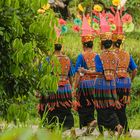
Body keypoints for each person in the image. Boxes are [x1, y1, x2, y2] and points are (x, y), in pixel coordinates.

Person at [93, 13, 123, 136]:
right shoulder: (116, 56)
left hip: (100, 84)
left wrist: (87, 72)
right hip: (112, 84)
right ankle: (106, 130)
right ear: (111, 43)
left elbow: (99, 71)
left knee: (100, 107)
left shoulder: (98, 56)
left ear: (101, 43)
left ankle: (116, 125)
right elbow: (114, 71)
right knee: (110, 106)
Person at [112, 11, 137, 135]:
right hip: (126, 82)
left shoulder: (111, 54)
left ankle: (124, 130)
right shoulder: (127, 54)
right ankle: (121, 129)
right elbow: (135, 69)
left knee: (115, 107)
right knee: (122, 106)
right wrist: (130, 79)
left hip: (115, 82)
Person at [73, 15, 97, 135]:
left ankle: (91, 121)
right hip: (96, 84)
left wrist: (75, 87)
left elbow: (78, 72)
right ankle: (89, 125)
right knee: (91, 104)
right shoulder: (97, 55)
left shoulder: (81, 56)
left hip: (85, 84)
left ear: (84, 45)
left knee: (82, 104)